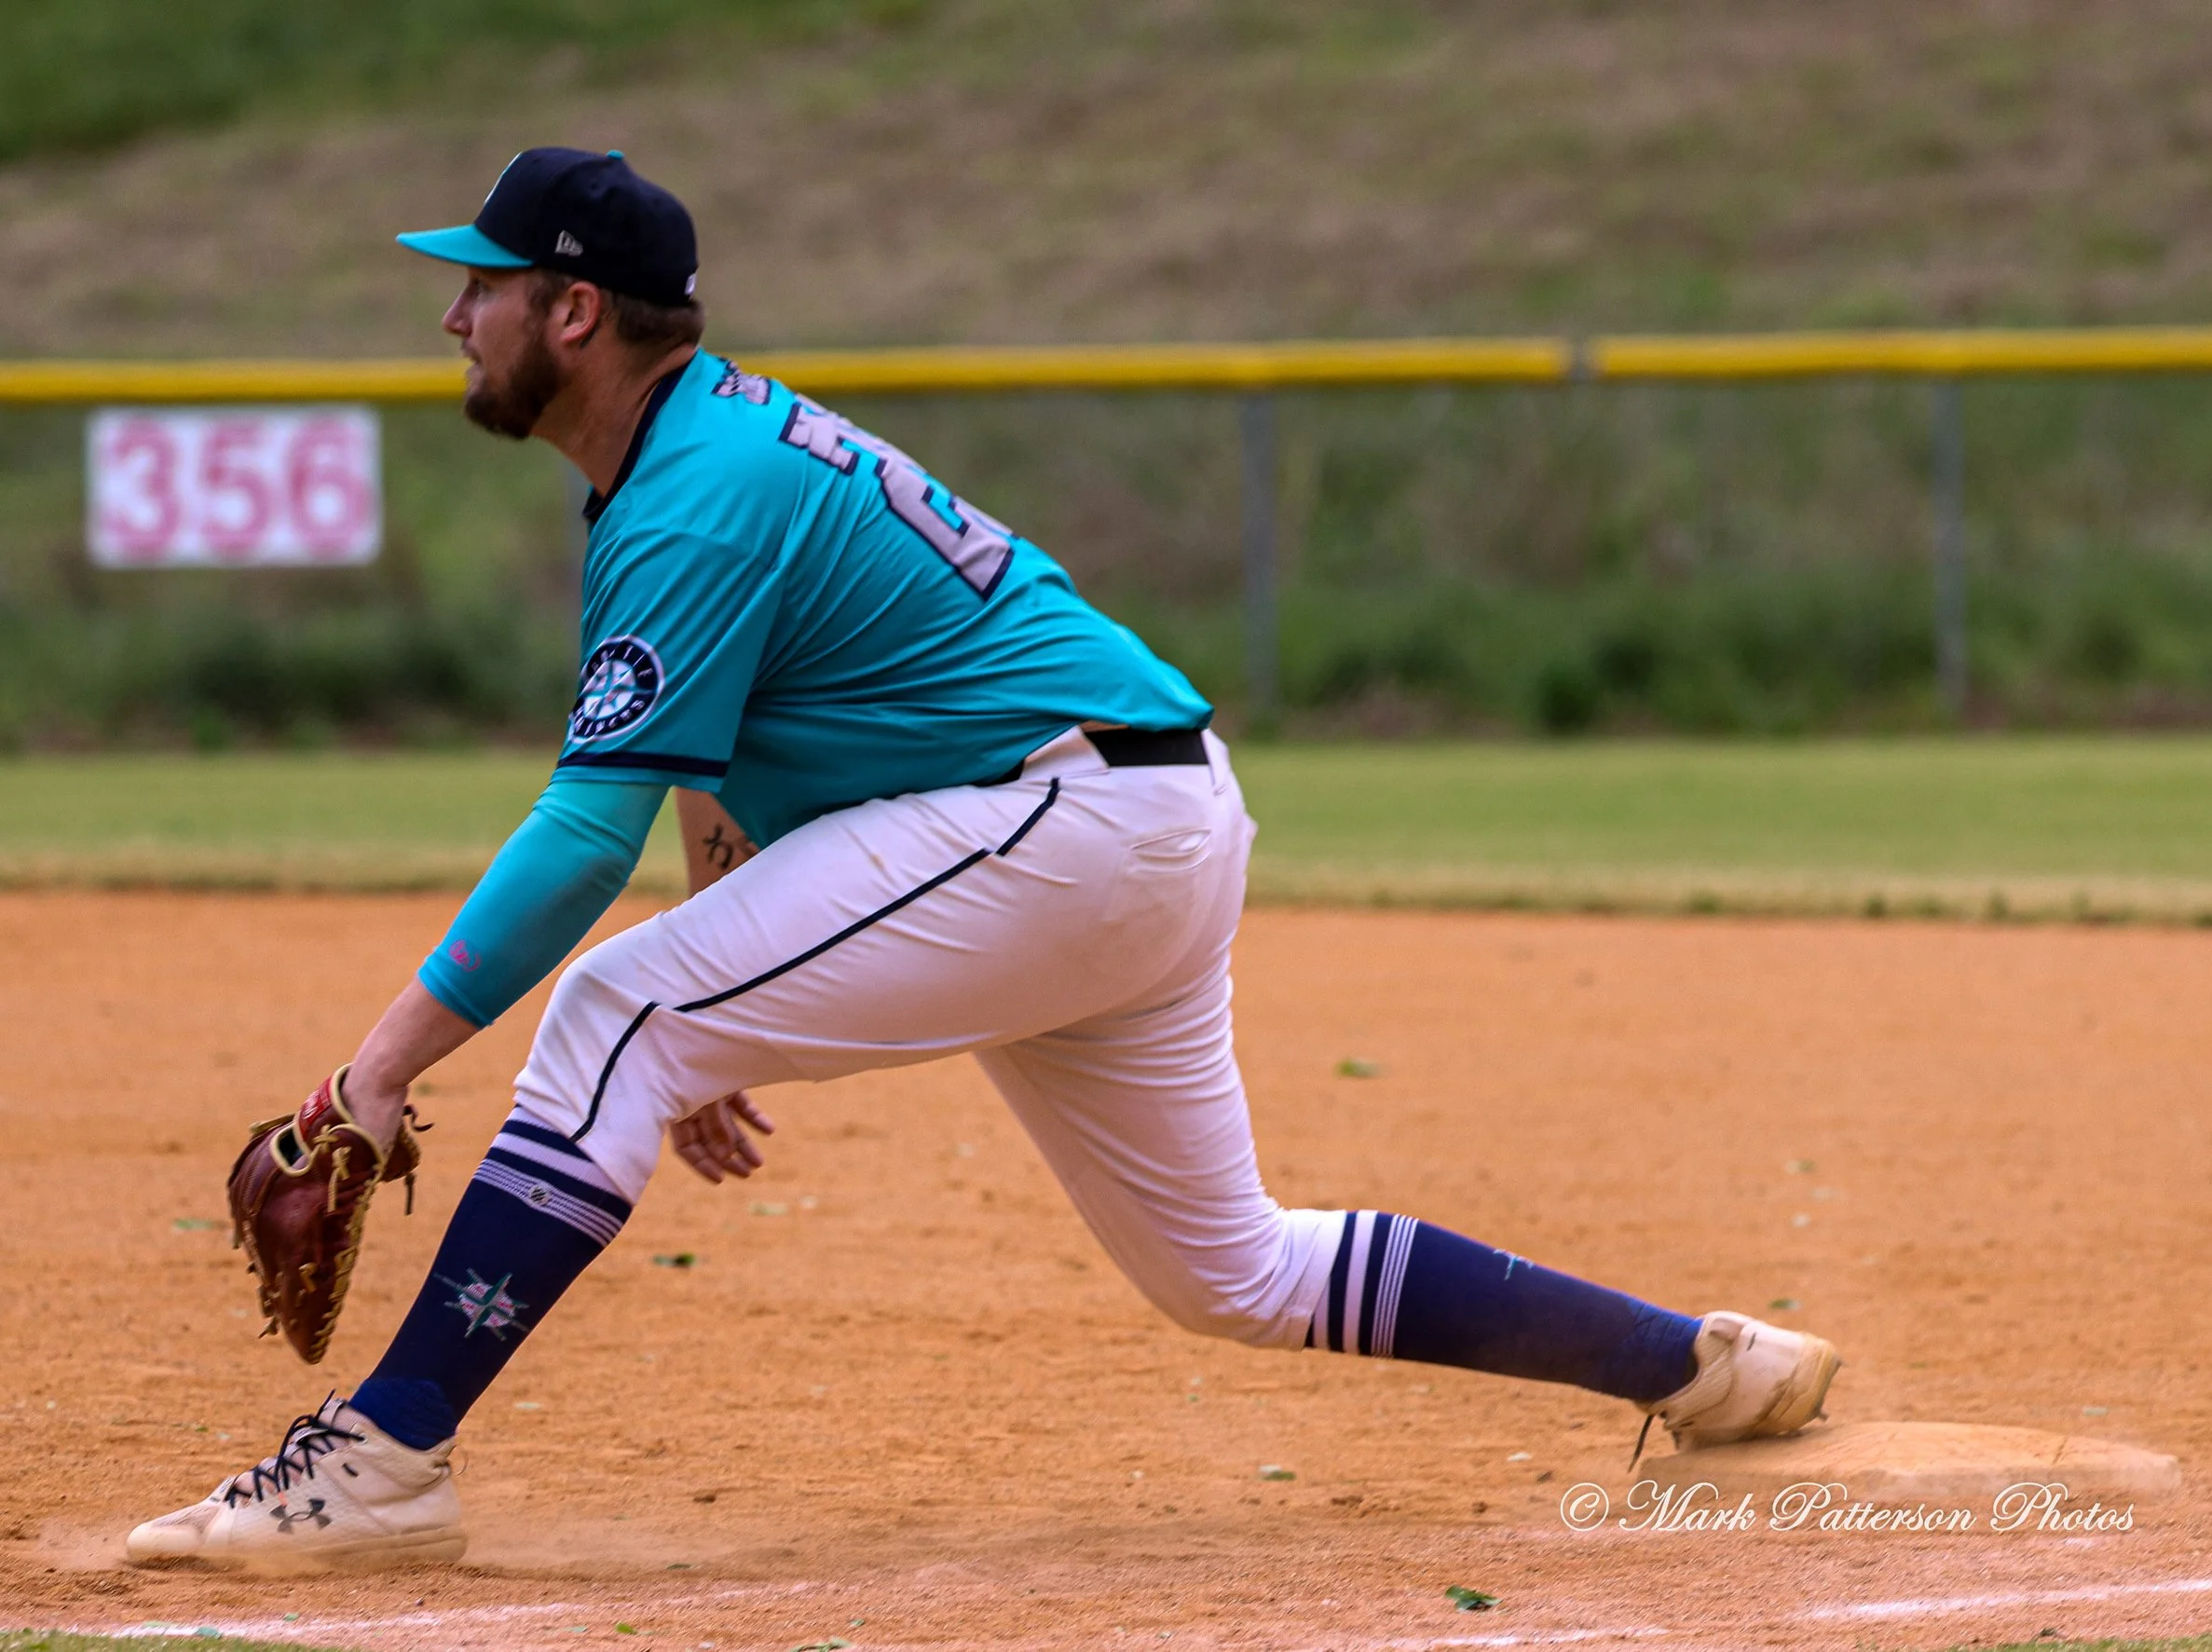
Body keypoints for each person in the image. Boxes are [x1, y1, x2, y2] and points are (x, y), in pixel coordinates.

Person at [127, 148, 1839, 1568]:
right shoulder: (697, 449)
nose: (454, 311)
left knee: (612, 1017)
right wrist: (722, 991)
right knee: (1225, 1269)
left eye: (482, 285)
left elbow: (586, 836)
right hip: (1134, 821)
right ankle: (1698, 1367)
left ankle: (379, 1463)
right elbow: (712, 774)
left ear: (573, 313)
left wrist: (370, 1077)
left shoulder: (692, 492)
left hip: (1067, 824)